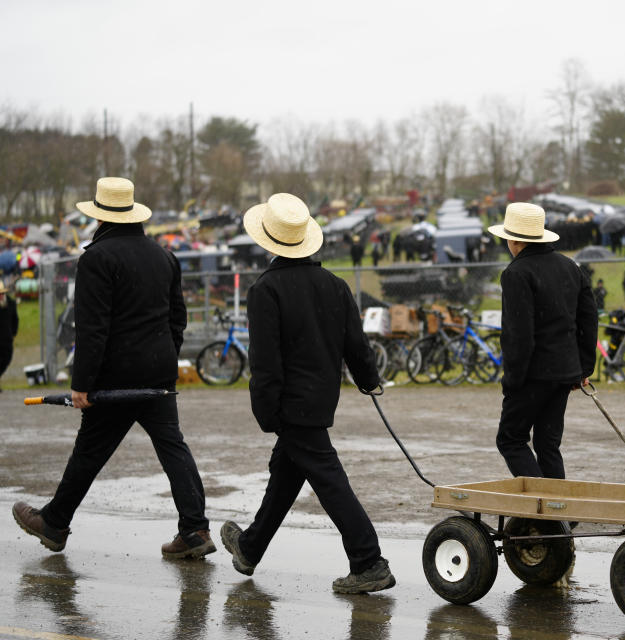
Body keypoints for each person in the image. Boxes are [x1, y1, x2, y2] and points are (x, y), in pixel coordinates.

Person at [12, 177, 214, 559]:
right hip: (158, 373)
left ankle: (54, 523)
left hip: (115, 376)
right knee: (174, 449)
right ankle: (195, 529)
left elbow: (93, 328)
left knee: (89, 451)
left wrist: (81, 384)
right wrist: (165, 356)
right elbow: (178, 317)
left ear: (100, 219)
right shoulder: (163, 256)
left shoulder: (97, 258)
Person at [219, 193, 395, 595]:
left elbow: (265, 363)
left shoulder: (267, 290)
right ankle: (249, 548)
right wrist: (370, 379)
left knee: (329, 480)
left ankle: (369, 561)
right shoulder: (334, 285)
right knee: (285, 474)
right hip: (319, 400)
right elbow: (357, 345)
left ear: (269, 241)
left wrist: (266, 413)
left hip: (289, 405)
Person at [487, 202, 598, 480]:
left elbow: (518, 334)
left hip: (533, 374)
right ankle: (559, 514)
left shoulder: (516, 273)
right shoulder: (570, 267)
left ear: (513, 240)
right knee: (548, 444)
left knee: (510, 439)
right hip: (565, 373)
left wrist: (512, 380)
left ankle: (543, 509)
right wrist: (584, 369)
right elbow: (588, 320)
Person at [0, 280, 18, 391]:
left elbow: (15, 319)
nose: (1, 296)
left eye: (2, 294)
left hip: (7, 339)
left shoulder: (11, 303)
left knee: (6, 359)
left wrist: (13, 333)